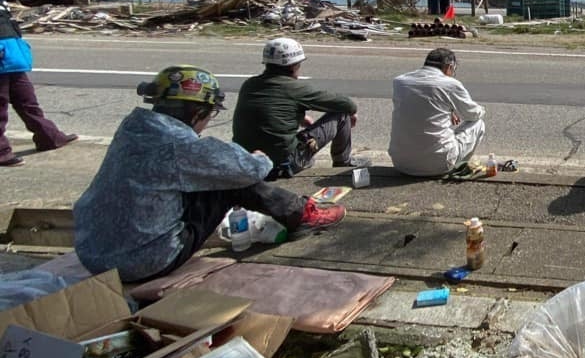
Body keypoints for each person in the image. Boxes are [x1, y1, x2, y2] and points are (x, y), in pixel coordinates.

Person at [74, 65, 344, 283]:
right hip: (142, 262)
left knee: (212, 176)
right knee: (233, 182)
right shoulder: (180, 145)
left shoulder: (134, 127)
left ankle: (297, 212)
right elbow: (250, 169)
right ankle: (302, 215)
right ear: (197, 112)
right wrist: (260, 157)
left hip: (92, 253)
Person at [232, 37, 369, 178]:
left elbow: (268, 111)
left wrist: (300, 116)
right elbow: (347, 104)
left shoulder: (249, 85)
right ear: (293, 65)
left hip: (247, 161)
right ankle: (343, 163)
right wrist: (351, 113)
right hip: (283, 164)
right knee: (342, 114)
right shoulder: (295, 88)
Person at [0, 0, 77, 166]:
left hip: (11, 52)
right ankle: (1, 152)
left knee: (27, 101)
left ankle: (49, 137)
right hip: (3, 53)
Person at [388, 47, 487, 176]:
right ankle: (458, 166)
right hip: (438, 165)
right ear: (449, 67)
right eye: (453, 71)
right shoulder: (450, 84)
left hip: (401, 163)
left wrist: (449, 109)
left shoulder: (400, 81)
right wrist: (481, 110)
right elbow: (472, 114)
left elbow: (421, 105)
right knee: (478, 123)